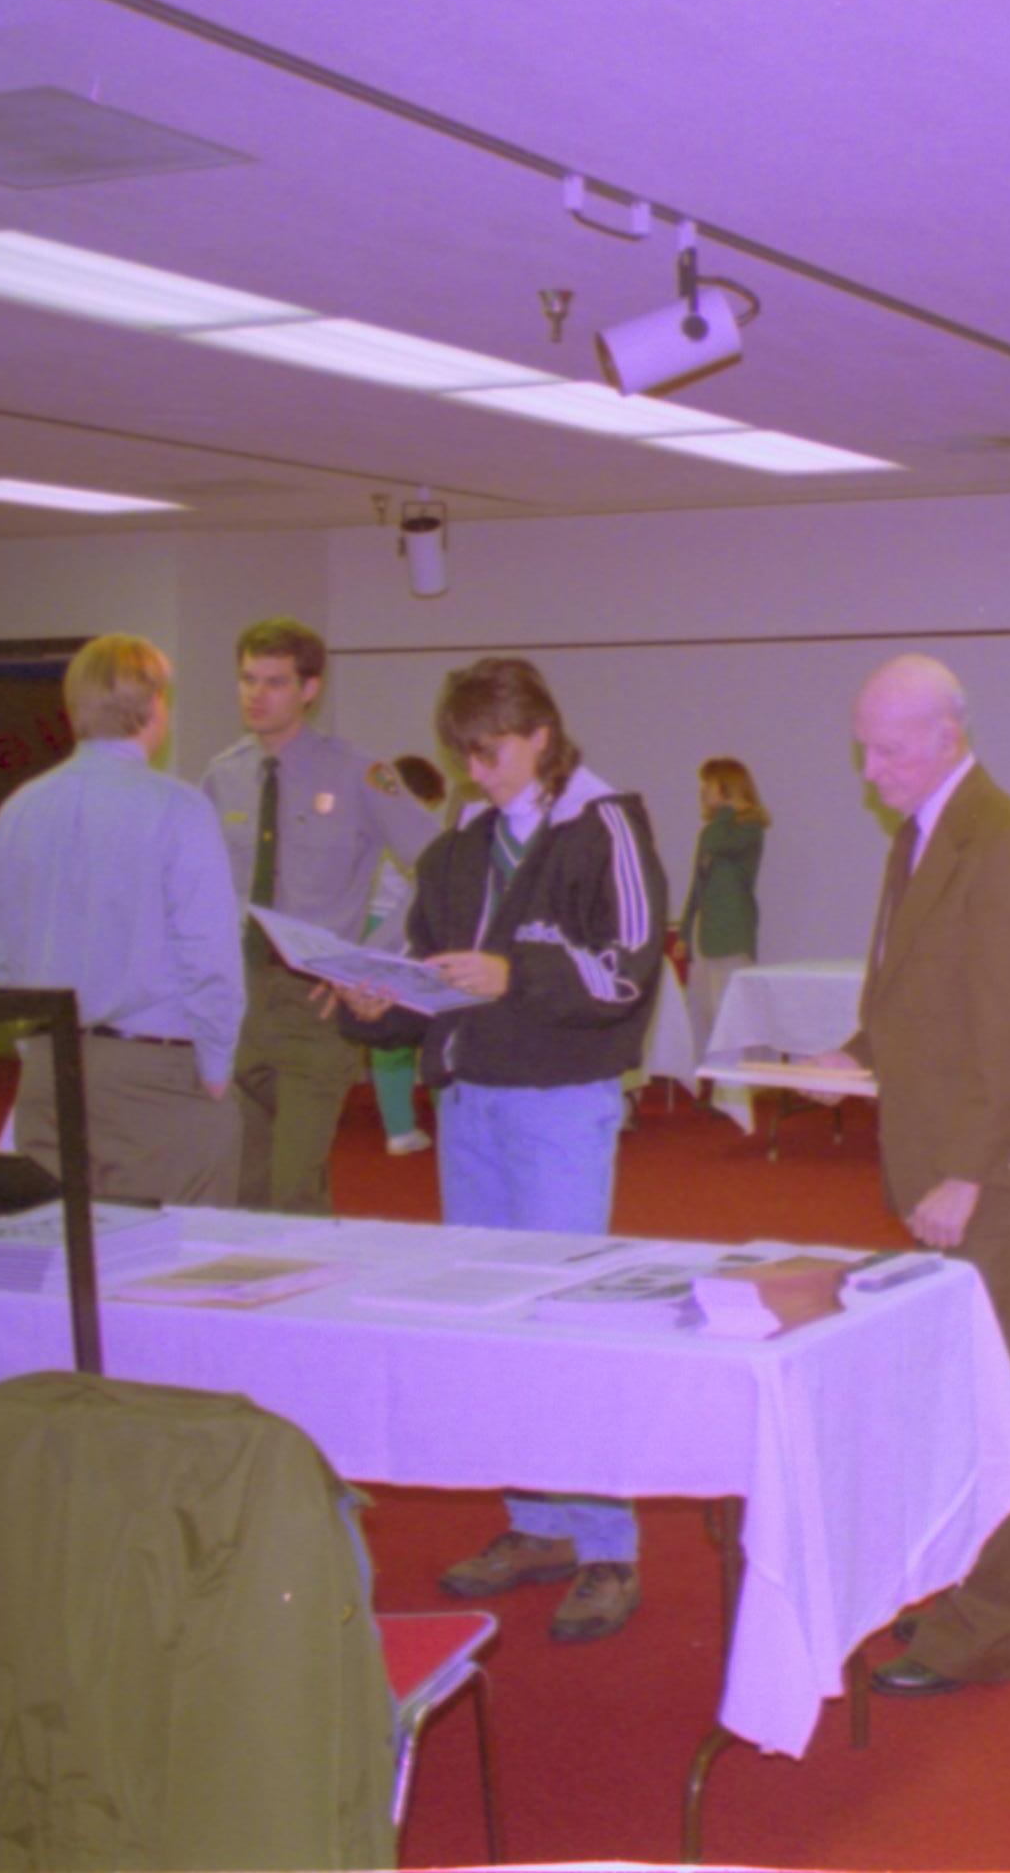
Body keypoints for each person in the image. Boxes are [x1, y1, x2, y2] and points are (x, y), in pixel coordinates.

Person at [332, 657, 668, 1639]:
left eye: (492, 753)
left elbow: (626, 976)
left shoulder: (607, 827)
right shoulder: (462, 846)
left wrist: (509, 973)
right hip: (471, 1107)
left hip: (559, 1107)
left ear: (542, 737)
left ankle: (607, 1546)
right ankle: (536, 1524)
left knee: (568, 1326)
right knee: (492, 1328)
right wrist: (376, 1000)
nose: (478, 773)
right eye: (467, 756)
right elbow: (429, 978)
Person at [802, 654, 1010, 1695]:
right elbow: (916, 990)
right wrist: (858, 1052)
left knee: (995, 1410)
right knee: (965, 1397)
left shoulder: (1003, 846)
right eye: (864, 749)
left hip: (993, 1184)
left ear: (949, 734)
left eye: (888, 749)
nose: (872, 772)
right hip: (953, 1172)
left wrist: (968, 1171)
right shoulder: (927, 835)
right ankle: (1003, 1601)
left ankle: (989, 1624)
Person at [0, 635, 245, 1204]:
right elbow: (210, 952)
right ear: (152, 707)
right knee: (172, 1271)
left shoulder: (19, 808)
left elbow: (2, 948)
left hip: (51, 1066)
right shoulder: (178, 808)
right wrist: (218, 1060)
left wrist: (34, 1051)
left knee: (66, 1261)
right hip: (154, 1076)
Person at [202, 619, 441, 1215]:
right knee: (244, 1188)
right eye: (247, 680)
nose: (257, 695)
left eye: (275, 682)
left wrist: (374, 964)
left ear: (310, 689)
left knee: (292, 1187)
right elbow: (197, 890)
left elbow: (438, 870)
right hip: (238, 1002)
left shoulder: (358, 773)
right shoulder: (222, 776)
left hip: (317, 1005)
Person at [362, 753, 453, 1159]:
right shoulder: (414, 831)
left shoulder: (364, 822)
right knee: (432, 1030)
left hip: (364, 932)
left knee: (388, 1036)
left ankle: (398, 1128)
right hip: (404, 936)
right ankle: (446, 1124)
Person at [679, 757, 768, 1056]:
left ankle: (739, 1088)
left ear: (727, 787)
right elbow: (698, 886)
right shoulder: (712, 830)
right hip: (705, 932)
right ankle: (713, 1078)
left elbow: (719, 842)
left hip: (731, 931)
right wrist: (684, 931)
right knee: (703, 1007)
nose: (703, 790)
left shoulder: (748, 827)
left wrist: (727, 810)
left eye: (709, 784)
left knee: (731, 1008)